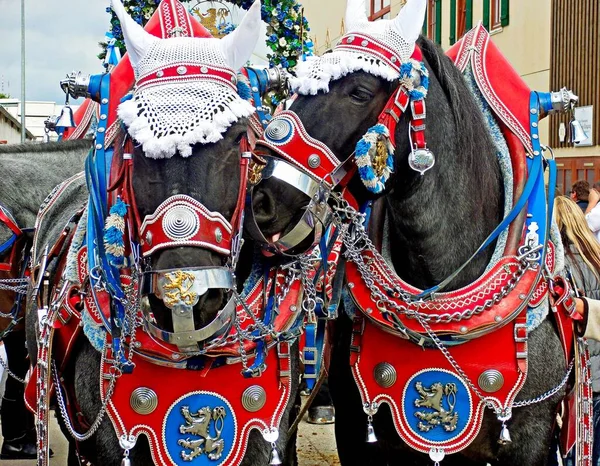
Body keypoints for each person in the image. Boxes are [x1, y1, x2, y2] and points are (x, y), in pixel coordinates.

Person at [555, 196, 600, 466]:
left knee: (569, 451)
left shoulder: (556, 271)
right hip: (599, 379)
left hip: (572, 382)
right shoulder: (596, 260)